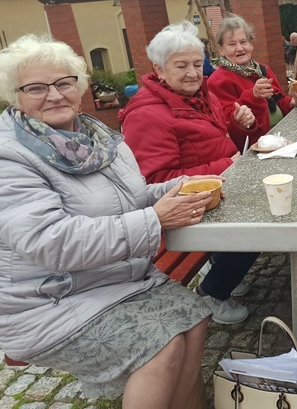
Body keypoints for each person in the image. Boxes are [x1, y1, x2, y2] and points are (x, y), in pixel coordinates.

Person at [0, 35, 215, 409]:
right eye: (36, 87)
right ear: (14, 96)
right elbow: (51, 241)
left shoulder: (97, 139)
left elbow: (131, 195)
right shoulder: (10, 158)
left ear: (79, 87)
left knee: (194, 322)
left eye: (64, 82)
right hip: (47, 300)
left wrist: (179, 187)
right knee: (159, 346)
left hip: (113, 278)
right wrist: (154, 218)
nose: (54, 95)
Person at [120, 21, 259, 325]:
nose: (193, 73)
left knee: (263, 203)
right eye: (181, 65)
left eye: (198, 63)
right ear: (159, 69)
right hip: (181, 212)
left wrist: (238, 123)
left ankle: (222, 266)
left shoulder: (199, 94)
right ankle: (211, 295)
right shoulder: (146, 115)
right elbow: (154, 182)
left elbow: (215, 141)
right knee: (259, 222)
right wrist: (226, 166)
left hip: (212, 193)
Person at [208, 15, 297, 144]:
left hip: (281, 138)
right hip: (256, 147)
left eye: (243, 42)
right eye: (232, 44)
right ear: (221, 49)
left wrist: (292, 102)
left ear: (251, 44)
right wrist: (253, 96)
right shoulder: (217, 81)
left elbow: (278, 102)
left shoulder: (262, 70)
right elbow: (230, 124)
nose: (240, 48)